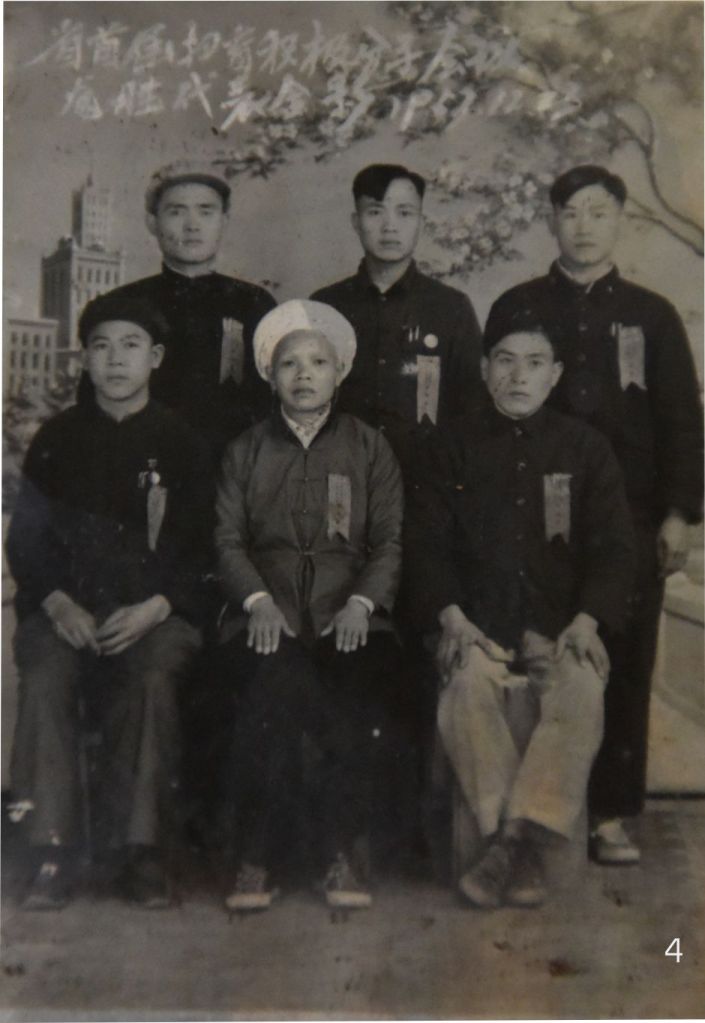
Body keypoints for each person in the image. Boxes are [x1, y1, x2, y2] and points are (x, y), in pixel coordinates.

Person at [485, 165, 704, 864]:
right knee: (535, 652)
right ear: (551, 220)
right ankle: (526, 812)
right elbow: (490, 408)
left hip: (629, 519)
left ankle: (610, 813)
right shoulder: (519, 304)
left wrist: (679, 513)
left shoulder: (650, 314)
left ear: (620, 221)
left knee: (624, 659)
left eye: (598, 212)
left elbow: (681, 419)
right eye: (570, 212)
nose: (583, 226)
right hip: (529, 514)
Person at [405, 311, 635, 909]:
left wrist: (587, 620)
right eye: (504, 361)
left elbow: (615, 549)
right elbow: (425, 547)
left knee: (582, 686)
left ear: (555, 375)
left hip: (559, 627)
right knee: (466, 687)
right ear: (484, 370)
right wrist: (454, 619)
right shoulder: (447, 447)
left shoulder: (586, 448)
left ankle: (510, 843)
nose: (518, 376)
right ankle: (518, 846)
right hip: (477, 626)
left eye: (534, 364)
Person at [6, 293, 213, 910]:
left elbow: (204, 547)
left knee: (151, 678)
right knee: (45, 676)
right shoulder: (56, 438)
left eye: (130, 346)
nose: (116, 360)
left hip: (154, 614)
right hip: (65, 612)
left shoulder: (182, 442)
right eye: (101, 347)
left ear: (156, 358)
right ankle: (50, 851)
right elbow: (27, 542)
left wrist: (158, 606)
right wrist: (58, 603)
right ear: (85, 360)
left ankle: (140, 851)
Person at [215, 300, 406, 912]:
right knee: (272, 695)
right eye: (289, 363)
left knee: (352, 703)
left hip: (348, 617)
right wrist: (257, 601)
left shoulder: (370, 447)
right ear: (269, 375)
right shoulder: (245, 450)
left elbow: (388, 542)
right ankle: (257, 857)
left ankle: (337, 854)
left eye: (318, 362)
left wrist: (361, 605)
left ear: (339, 371)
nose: (303, 374)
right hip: (265, 616)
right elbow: (227, 540)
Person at [79, 159, 276, 455]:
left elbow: (272, 406)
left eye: (205, 211)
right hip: (140, 463)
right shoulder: (118, 306)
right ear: (152, 222)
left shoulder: (254, 303)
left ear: (224, 221)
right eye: (176, 211)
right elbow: (92, 407)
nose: (192, 225)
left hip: (232, 470)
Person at [311, 162, 483, 479]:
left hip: (427, 482)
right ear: (356, 221)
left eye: (404, 213)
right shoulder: (325, 306)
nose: (390, 226)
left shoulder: (451, 308)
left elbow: (473, 410)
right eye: (375, 212)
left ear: (421, 222)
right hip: (340, 477)